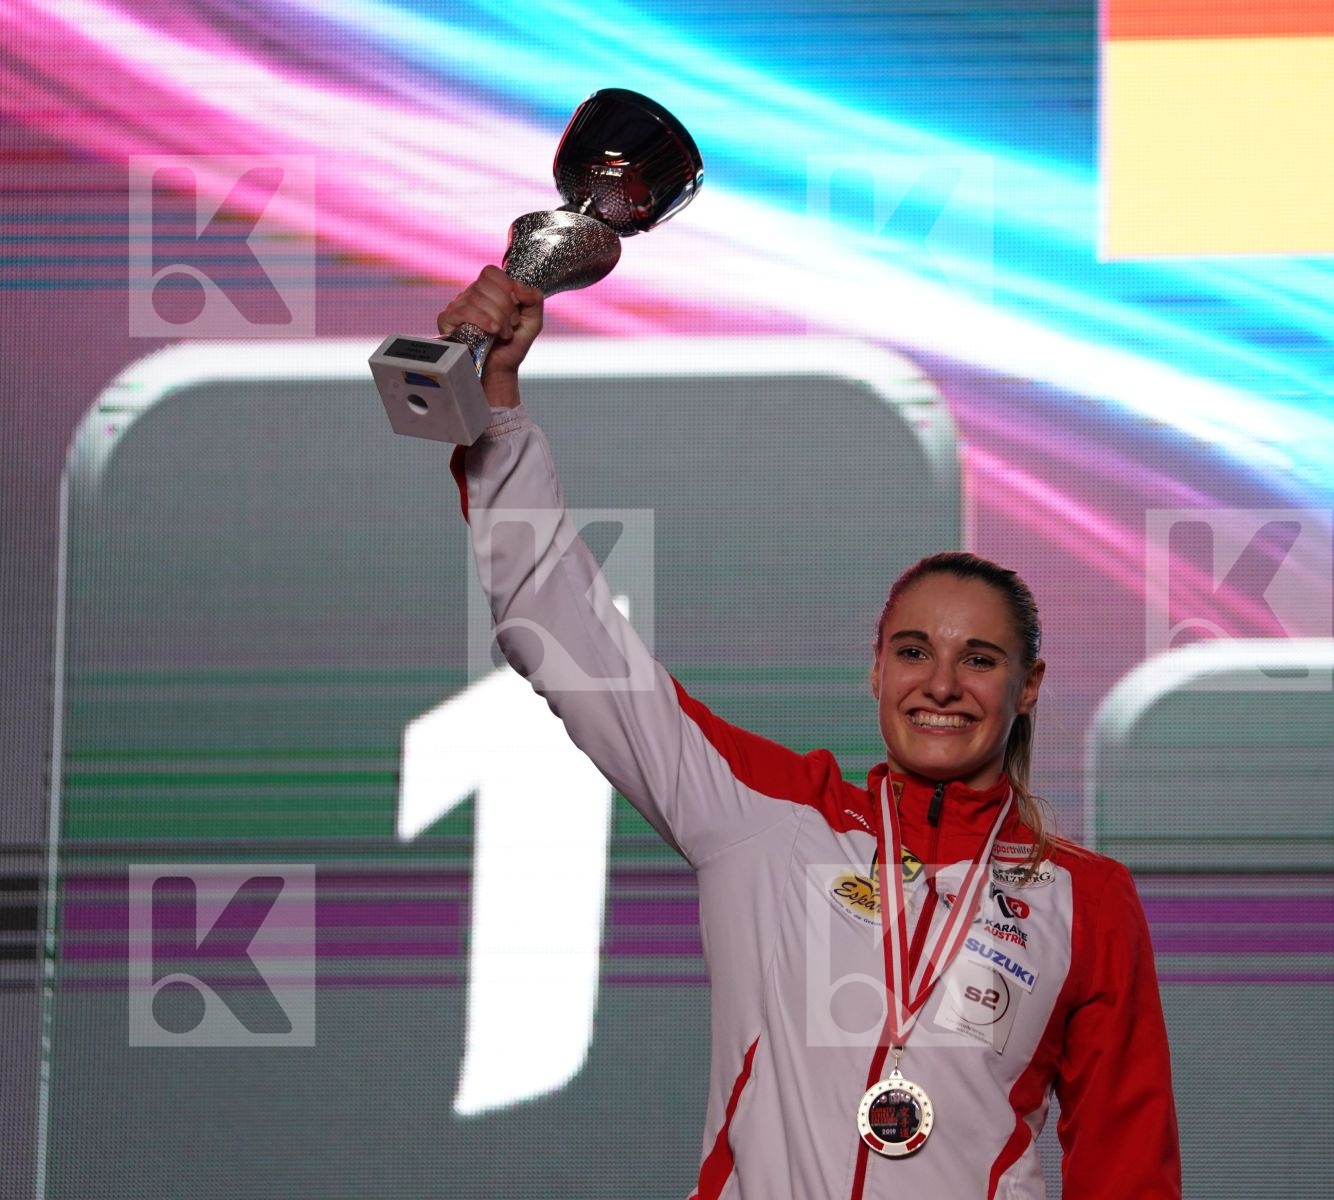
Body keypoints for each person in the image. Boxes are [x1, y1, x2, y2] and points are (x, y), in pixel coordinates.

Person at [438, 266, 1181, 1199]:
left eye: (980, 659)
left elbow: (1128, 1161)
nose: (942, 684)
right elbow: (565, 631)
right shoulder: (766, 816)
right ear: (875, 670)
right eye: (914, 651)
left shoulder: (1087, 901)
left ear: (1028, 685)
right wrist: (496, 403)